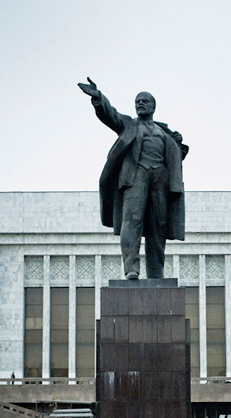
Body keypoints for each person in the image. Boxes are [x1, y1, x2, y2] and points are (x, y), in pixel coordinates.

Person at [78, 77, 188, 280]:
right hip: (135, 177)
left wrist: (177, 144)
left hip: (160, 179)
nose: (140, 104)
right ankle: (131, 269)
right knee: (132, 221)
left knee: (158, 225)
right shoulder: (129, 124)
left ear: (153, 106)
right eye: (137, 101)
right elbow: (110, 115)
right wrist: (98, 98)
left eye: (145, 101)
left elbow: (175, 159)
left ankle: (156, 273)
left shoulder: (164, 131)